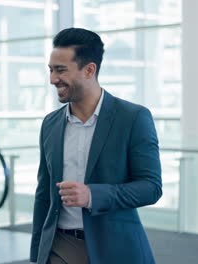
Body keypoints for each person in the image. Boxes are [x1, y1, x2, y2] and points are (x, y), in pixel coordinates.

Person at [30, 28, 162, 264]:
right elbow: (44, 195)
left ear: (90, 70)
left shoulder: (133, 118)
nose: (52, 79)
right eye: (50, 70)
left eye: (60, 70)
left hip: (115, 247)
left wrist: (92, 195)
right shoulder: (50, 124)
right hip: (60, 245)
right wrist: (36, 256)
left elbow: (151, 187)